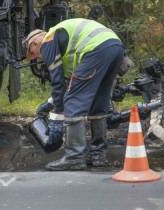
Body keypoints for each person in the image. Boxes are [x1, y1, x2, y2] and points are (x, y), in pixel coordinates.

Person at [23, 18, 125, 171]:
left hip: (96, 49)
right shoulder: (63, 38)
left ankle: (74, 157)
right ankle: (98, 155)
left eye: (34, 54)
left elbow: (57, 82)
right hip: (115, 47)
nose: (38, 58)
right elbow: (69, 83)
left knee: (73, 102)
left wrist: (57, 115)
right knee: (98, 103)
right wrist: (52, 102)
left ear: (34, 44)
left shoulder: (47, 41)